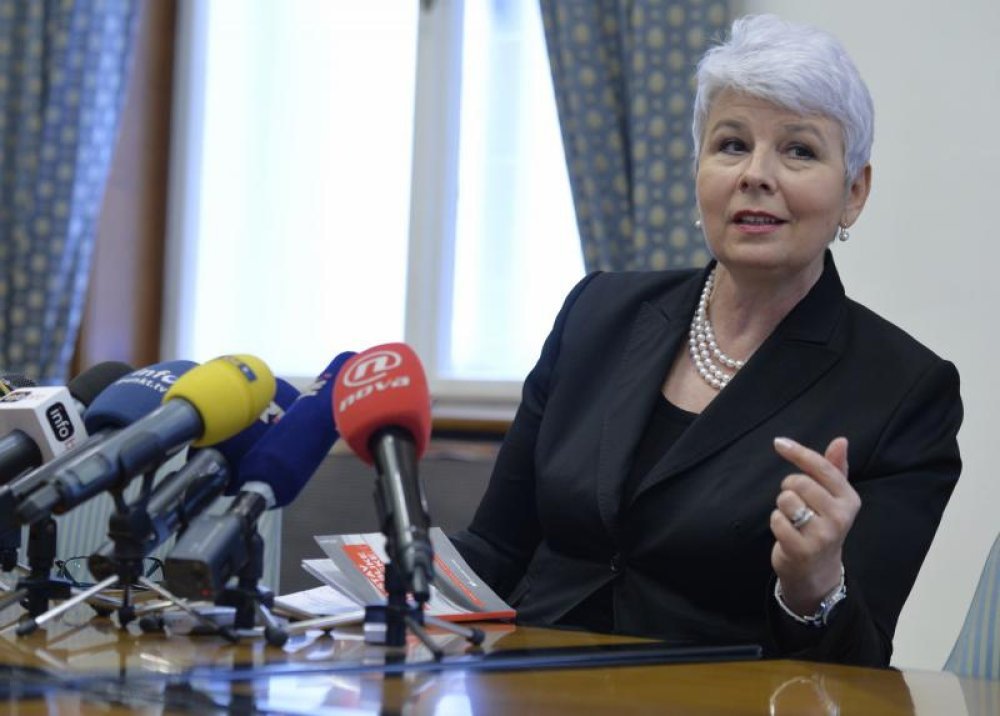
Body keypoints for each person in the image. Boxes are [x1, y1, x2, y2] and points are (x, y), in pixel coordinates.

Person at [450, 14, 963, 667]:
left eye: (799, 151)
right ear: (699, 171)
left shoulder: (904, 392)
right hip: (527, 688)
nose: (756, 174)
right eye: (731, 144)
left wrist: (813, 587)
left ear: (853, 193)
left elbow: (858, 666)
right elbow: (493, 551)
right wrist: (374, 598)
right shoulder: (596, 313)